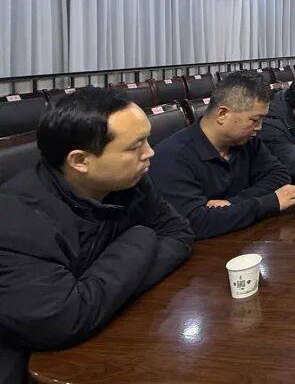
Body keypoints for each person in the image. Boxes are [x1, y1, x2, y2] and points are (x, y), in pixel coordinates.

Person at [0, 89, 194, 381]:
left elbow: (179, 233)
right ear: (80, 160)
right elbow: (64, 319)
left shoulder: (129, 182)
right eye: (135, 146)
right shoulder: (15, 220)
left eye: (147, 139)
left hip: (114, 334)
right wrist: (141, 236)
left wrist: (111, 289)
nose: (150, 153)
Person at [151, 74, 295, 240]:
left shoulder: (246, 140)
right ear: (222, 114)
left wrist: (234, 204)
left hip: (244, 237)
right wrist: (269, 202)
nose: (259, 127)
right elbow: (195, 223)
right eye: (255, 120)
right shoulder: (172, 158)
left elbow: (279, 175)